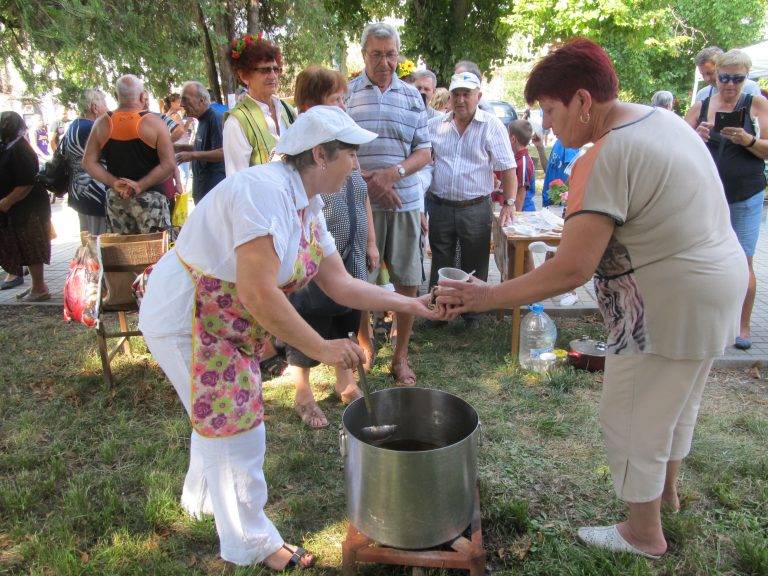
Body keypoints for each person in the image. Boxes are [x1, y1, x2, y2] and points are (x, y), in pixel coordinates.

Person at [437, 38, 747, 561]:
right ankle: (665, 494)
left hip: (665, 305)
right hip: (720, 285)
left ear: (583, 100)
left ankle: (643, 534)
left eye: (552, 112)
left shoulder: (606, 154)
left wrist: (485, 296)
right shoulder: (661, 120)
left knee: (631, 415)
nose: (548, 127)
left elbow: (572, 268)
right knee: (675, 403)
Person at [138, 105, 440, 569]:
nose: (357, 166)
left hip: (223, 323)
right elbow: (258, 293)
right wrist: (321, 348)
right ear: (320, 154)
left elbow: (339, 282)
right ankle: (252, 543)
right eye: (351, 156)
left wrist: (409, 303)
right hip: (189, 320)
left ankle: (202, 501)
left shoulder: (308, 204)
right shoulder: (264, 193)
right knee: (235, 430)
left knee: (216, 420)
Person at [282, 66, 379, 428]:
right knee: (308, 313)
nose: (343, 105)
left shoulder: (343, 143)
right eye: (336, 99)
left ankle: (343, 380)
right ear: (311, 107)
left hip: (345, 249)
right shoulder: (301, 159)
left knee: (344, 314)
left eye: (344, 98)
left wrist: (369, 240)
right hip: (313, 260)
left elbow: (362, 192)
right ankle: (303, 392)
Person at [346, 21, 432, 387]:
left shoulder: (413, 97)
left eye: (391, 55)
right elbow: (343, 150)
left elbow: (424, 152)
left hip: (405, 203)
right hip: (359, 204)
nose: (385, 62)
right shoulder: (348, 95)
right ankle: (365, 344)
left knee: (408, 280)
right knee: (358, 279)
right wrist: (371, 183)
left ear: (399, 56)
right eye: (377, 54)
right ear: (364, 55)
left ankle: (401, 357)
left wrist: (390, 175)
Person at [684, 49, 768, 350]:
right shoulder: (701, 106)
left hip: (746, 194)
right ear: (715, 76)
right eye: (724, 78)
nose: (730, 85)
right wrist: (697, 136)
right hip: (707, 197)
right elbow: (677, 146)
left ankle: (742, 327)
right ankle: (700, 322)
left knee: (743, 261)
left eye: (737, 78)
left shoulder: (756, 104)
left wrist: (748, 140)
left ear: (746, 79)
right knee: (701, 259)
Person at [427, 70, 516, 330]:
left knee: (474, 261)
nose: (461, 99)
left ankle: (472, 315)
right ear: (450, 97)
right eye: (456, 94)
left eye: (467, 94)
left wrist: (510, 204)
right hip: (440, 205)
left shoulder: (491, 125)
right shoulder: (436, 126)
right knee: (440, 262)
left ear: (478, 96)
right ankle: (439, 312)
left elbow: (508, 168)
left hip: (475, 207)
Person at [82, 74, 175, 235]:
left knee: (121, 254)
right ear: (141, 95)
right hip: (151, 201)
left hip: (118, 201)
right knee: (157, 255)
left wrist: (114, 182)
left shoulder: (102, 123)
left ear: (117, 96)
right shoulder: (155, 123)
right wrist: (140, 185)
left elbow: (88, 162)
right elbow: (169, 165)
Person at [223, 34, 296, 175]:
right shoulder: (236, 123)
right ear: (244, 75)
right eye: (265, 70)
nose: (273, 76)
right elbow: (237, 181)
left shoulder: (287, 110)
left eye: (276, 69)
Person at [0, 111, 51, 300]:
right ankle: (35, 287)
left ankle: (40, 288)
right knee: (24, 245)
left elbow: (26, 183)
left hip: (30, 209)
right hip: (19, 209)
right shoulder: (8, 146)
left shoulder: (20, 148)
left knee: (31, 246)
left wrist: (6, 201)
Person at [61, 88, 110, 235]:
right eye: (104, 104)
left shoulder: (74, 126)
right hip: (95, 194)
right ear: (94, 108)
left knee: (88, 239)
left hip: (80, 194)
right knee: (99, 242)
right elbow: (108, 156)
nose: (107, 109)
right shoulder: (90, 128)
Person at [175, 81, 226, 204]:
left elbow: (222, 152)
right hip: (202, 189)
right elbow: (203, 148)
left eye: (186, 100)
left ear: (202, 100)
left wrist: (192, 155)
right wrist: (179, 147)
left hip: (214, 190)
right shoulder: (202, 120)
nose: (182, 104)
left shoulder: (215, 119)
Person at [694, 46, 761, 103]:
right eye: (703, 74)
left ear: (722, 67)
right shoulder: (702, 95)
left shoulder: (750, 88)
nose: (707, 79)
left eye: (710, 73)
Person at [532, 134, 580, 207]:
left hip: (557, 205)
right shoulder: (559, 141)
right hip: (548, 202)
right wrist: (540, 148)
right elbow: (548, 170)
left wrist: (556, 198)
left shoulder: (569, 145)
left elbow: (573, 174)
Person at [507, 119, 535, 212]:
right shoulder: (518, 158)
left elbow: (520, 194)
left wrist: (516, 215)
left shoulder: (523, 162)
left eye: (507, 135)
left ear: (513, 139)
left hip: (524, 211)